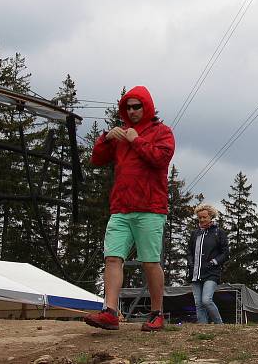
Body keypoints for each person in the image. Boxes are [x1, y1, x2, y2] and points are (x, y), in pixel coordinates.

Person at [84, 86, 175, 332]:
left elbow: (160, 159)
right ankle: (110, 311)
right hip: (121, 208)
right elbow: (97, 159)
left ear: (147, 107)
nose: (132, 111)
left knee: (150, 261)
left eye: (137, 106)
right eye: (128, 107)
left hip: (150, 208)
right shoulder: (120, 135)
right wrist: (106, 139)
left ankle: (157, 313)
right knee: (112, 258)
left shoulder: (162, 132)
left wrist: (136, 140)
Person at [186, 203, 229, 324]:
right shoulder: (195, 234)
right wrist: (190, 263)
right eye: (200, 217)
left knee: (206, 300)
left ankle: (220, 325)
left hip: (211, 272)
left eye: (204, 217)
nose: (202, 220)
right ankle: (202, 329)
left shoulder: (218, 233)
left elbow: (225, 253)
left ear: (211, 216)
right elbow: (189, 251)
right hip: (195, 273)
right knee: (198, 304)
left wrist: (214, 262)